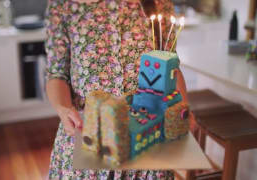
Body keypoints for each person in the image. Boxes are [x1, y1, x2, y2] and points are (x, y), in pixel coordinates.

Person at [45, 0, 194, 179]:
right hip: (88, 140)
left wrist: (182, 108)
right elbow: (56, 73)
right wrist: (63, 109)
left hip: (147, 143)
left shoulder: (159, 4)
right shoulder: (63, 5)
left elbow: (170, 66)